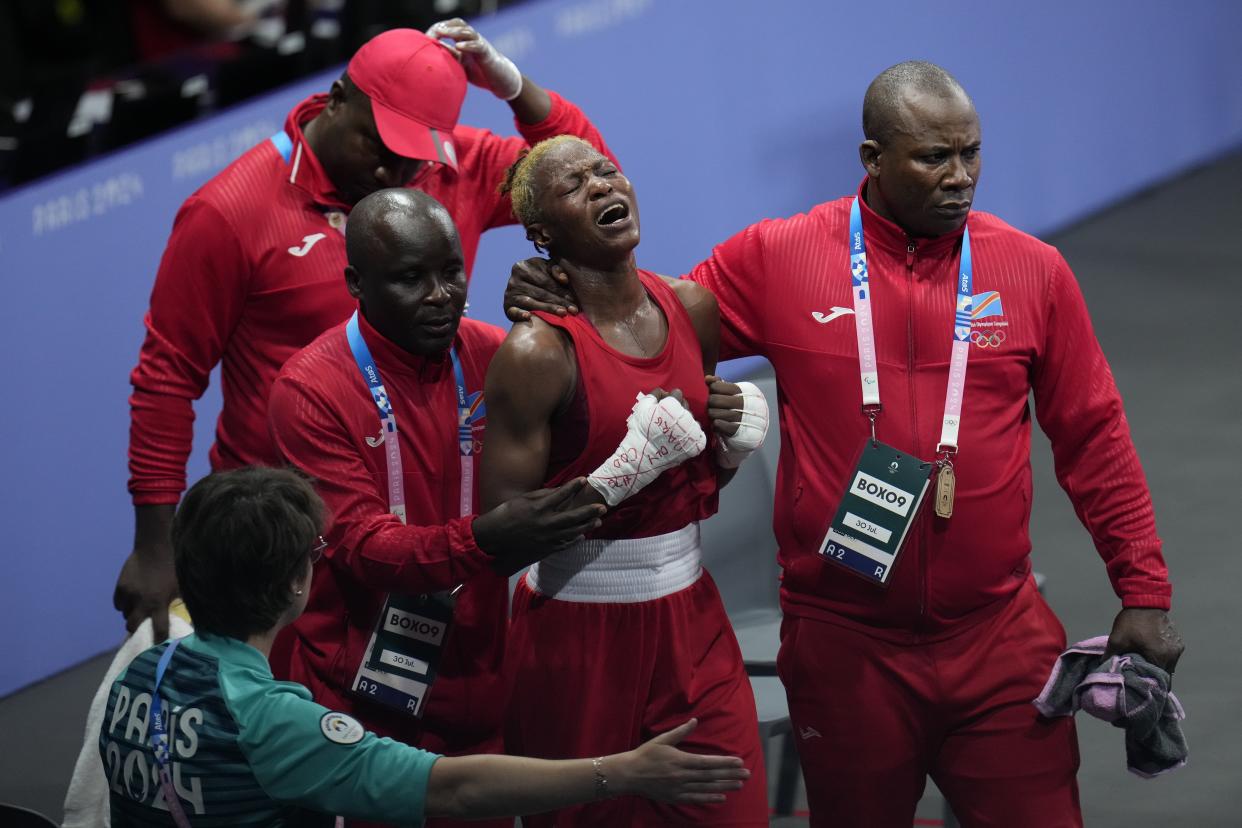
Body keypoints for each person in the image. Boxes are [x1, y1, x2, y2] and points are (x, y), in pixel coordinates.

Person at [503, 63, 1184, 827]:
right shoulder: (779, 256)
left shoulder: (1034, 270)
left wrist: (1145, 590)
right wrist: (561, 287)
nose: (960, 177)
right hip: (845, 647)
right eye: (934, 157)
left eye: (971, 153)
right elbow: (642, 331)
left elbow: (1094, 436)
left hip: (999, 639)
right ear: (872, 159)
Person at [116, 19, 616, 642]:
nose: (391, 172)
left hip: (420, 508)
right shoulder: (228, 212)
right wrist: (155, 547)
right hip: (281, 526)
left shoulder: (444, 167)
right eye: (377, 146)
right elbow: (168, 379)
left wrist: (512, 86)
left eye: (412, 153)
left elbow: (590, 181)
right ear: (337, 97)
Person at [100, 465, 751, 828]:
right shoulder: (272, 722)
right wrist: (622, 771)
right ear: (299, 582)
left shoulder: (135, 677)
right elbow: (453, 790)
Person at [266, 187, 612, 828]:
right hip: (365, 702)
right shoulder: (308, 391)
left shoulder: (503, 356)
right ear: (356, 283)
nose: (440, 295)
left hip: (496, 681)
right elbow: (365, 547)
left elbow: (606, 430)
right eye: (409, 278)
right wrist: (486, 541)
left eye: (451, 271)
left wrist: (575, 312)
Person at [480, 135, 770, 827]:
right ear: (543, 234)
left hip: (694, 622)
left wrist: (729, 449)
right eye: (575, 185)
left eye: (606, 171)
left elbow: (691, 489)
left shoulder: (694, 309)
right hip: (577, 641)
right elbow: (499, 534)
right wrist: (619, 474)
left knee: (735, 813)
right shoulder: (535, 354)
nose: (603, 185)